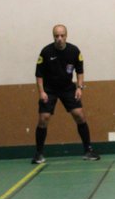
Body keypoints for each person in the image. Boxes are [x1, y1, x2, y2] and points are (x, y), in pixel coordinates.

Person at [32, 24, 99, 164]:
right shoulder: (46, 52)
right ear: (53, 37)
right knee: (43, 118)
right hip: (49, 89)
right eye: (56, 36)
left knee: (79, 115)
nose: (59, 38)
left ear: (66, 36)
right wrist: (42, 92)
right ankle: (38, 154)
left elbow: (79, 71)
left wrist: (79, 88)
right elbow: (39, 75)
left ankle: (88, 150)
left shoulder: (74, 51)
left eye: (62, 35)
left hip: (68, 88)